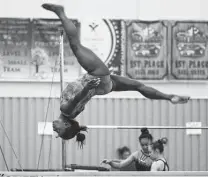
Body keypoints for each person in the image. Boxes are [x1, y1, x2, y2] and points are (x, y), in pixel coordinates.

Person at [42, 3, 190, 146]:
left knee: (138, 86)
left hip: (103, 88)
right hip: (96, 78)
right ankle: (60, 12)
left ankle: (169, 97)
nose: (55, 130)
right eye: (59, 131)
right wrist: (87, 88)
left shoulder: (72, 116)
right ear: (66, 124)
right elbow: (76, 99)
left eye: (56, 132)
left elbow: (78, 101)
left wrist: (79, 123)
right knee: (76, 45)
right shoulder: (66, 111)